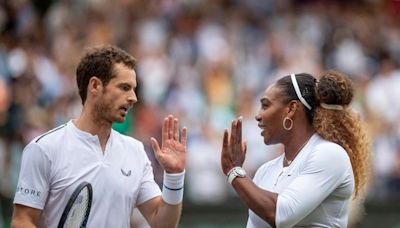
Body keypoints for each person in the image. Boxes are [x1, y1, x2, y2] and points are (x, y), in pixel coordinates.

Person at [11, 45, 188, 228]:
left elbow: (162, 223)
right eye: (124, 87)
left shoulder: (135, 151)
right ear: (95, 86)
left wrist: (174, 176)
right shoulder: (44, 149)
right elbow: (22, 220)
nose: (133, 97)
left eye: (133, 89)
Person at [221, 71, 370, 227]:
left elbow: (280, 214)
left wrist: (234, 172)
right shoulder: (264, 171)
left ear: (291, 109)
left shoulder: (330, 154)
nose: (258, 115)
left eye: (266, 105)